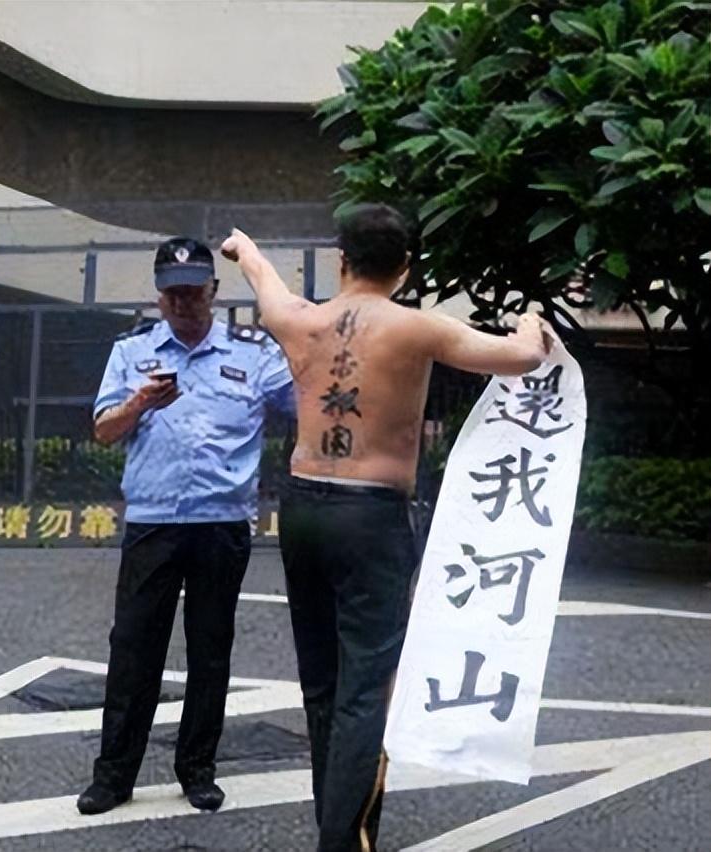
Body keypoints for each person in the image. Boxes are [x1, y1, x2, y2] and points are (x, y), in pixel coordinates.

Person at [220, 204, 554, 851]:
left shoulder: (299, 320)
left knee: (321, 681)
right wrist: (531, 320)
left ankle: (338, 828)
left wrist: (246, 249)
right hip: (370, 516)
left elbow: (264, 282)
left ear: (341, 260)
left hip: (304, 508)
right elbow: (520, 357)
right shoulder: (419, 328)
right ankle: (340, 842)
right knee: (367, 688)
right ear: (403, 268)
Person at [77, 236, 295, 815]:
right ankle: (113, 775)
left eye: (193, 292)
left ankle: (197, 769)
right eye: (172, 293)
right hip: (153, 523)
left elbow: (308, 405)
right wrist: (139, 404)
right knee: (132, 651)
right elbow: (103, 430)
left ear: (214, 292)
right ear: (158, 297)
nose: (183, 303)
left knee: (210, 649)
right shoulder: (132, 352)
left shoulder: (254, 354)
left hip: (221, 525)